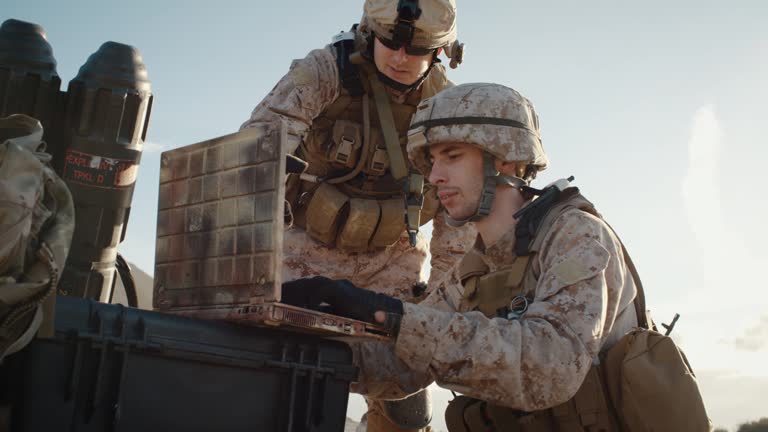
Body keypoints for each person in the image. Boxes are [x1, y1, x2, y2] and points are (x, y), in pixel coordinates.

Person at [282, 83, 656, 430]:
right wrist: (307, 333)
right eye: (431, 162)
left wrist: (391, 314)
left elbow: (551, 365)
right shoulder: (476, 266)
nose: (436, 176)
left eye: (453, 156)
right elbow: (402, 368)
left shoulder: (575, 235)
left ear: (506, 160)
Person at [240, 1, 475, 430]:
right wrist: (247, 267)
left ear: (442, 51)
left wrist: (438, 300)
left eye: (417, 48)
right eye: (391, 42)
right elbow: (256, 156)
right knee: (273, 374)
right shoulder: (323, 73)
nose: (401, 58)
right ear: (370, 34)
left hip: (394, 262)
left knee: (405, 394)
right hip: (304, 253)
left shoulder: (448, 105)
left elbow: (458, 216)